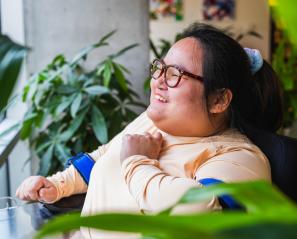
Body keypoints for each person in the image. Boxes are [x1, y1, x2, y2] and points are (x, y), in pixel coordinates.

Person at [16, 23, 283, 238]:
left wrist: (136, 162)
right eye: (160, 68)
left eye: (175, 74)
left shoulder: (240, 157)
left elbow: (198, 209)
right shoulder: (152, 121)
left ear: (219, 100)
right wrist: (56, 184)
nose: (157, 82)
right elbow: (103, 157)